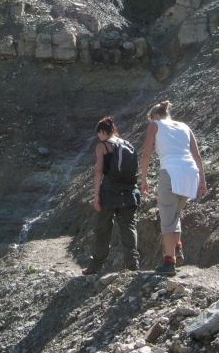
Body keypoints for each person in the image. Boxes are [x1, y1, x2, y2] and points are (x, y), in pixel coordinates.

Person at [140, 100, 206, 276]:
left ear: (155, 116)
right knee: (174, 213)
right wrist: (202, 182)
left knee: (167, 218)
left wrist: (144, 178)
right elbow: (196, 155)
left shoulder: (155, 125)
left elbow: (146, 154)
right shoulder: (185, 126)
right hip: (191, 173)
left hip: (170, 172)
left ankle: (169, 262)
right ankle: (177, 248)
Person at [82, 116, 141, 275]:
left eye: (98, 134)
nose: (98, 137)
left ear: (102, 131)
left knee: (102, 229)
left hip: (109, 192)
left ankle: (95, 266)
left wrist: (96, 195)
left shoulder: (103, 146)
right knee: (128, 227)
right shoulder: (127, 144)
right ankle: (132, 262)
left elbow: (99, 170)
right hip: (129, 192)